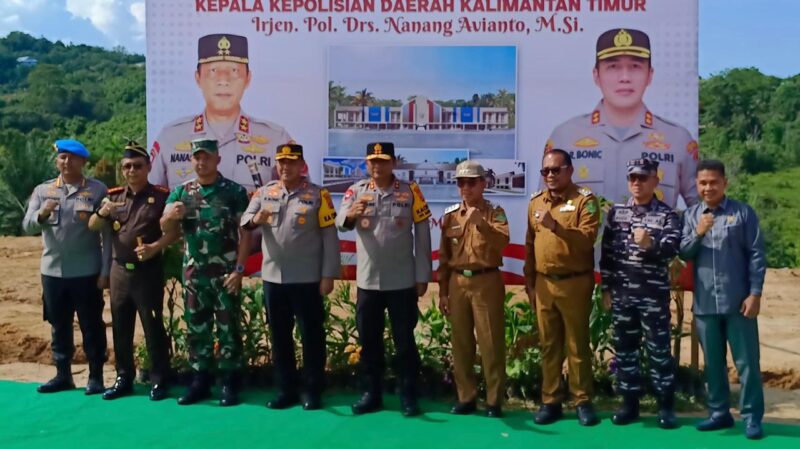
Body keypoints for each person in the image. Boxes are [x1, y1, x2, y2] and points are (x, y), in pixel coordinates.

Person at [545, 28, 698, 208]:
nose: (625, 78)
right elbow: (543, 208)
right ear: (596, 75)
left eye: (635, 66)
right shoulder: (565, 137)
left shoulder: (677, 139)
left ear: (650, 74)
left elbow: (702, 213)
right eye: (613, 67)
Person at [336, 142, 432, 417]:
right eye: (372, 161)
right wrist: (351, 214)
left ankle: (409, 395)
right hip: (368, 282)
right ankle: (371, 393)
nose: (377, 166)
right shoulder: (356, 191)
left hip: (402, 282)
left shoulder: (410, 191)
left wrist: (423, 274)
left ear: (393, 163)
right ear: (367, 164)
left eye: (383, 161)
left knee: (405, 343)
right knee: (369, 342)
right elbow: (340, 220)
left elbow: (423, 233)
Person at [241, 144, 340, 411]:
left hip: (307, 279)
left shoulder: (318, 195)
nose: (286, 167)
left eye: (291, 162)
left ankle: (312, 389)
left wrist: (328, 274)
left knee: (311, 337)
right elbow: (245, 221)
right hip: (274, 278)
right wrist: (255, 219)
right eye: (282, 162)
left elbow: (330, 237)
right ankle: (285, 389)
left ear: (302, 165)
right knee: (280, 336)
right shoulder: (265, 192)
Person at [160, 138, 252, 407]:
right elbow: (164, 226)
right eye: (197, 158)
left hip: (225, 273)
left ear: (217, 160)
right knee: (196, 328)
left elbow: (245, 234)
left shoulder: (233, 192)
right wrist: (171, 216)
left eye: (207, 157)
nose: (202, 162)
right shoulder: (182, 192)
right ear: (192, 160)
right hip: (194, 274)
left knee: (228, 327)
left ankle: (229, 382)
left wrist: (239, 269)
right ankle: (199, 381)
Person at [679, 160, 767, 440]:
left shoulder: (743, 213)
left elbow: (756, 255)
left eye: (713, 182)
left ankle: (752, 417)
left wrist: (755, 294)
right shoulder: (692, 216)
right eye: (703, 183)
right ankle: (719, 414)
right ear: (696, 184)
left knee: (747, 363)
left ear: (724, 183)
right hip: (705, 304)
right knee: (713, 364)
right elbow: (684, 252)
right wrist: (699, 231)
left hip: (739, 303)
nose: (708, 188)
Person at [87, 141, 179, 401]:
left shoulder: (161, 196)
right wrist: (103, 212)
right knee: (120, 327)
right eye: (126, 166)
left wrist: (155, 247)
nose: (131, 171)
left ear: (148, 167)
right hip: (119, 273)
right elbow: (93, 226)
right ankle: (123, 377)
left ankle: (160, 379)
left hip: (147, 271)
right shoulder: (113, 196)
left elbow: (174, 232)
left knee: (152, 327)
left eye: (137, 166)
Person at [149, 34, 293, 193]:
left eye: (234, 70)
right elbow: (149, 196)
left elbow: (299, 194)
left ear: (248, 78)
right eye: (213, 71)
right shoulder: (171, 136)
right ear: (198, 78)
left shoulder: (275, 138)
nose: (223, 80)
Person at [22, 139, 111, 395]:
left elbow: (107, 235)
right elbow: (27, 225)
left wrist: (105, 271)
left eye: (72, 158)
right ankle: (63, 374)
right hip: (53, 272)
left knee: (91, 324)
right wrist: (42, 214)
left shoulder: (97, 190)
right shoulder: (43, 190)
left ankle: (96, 377)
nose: (66, 162)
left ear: (83, 162)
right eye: (62, 157)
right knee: (58, 324)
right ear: (57, 161)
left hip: (87, 272)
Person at [600, 158, 681, 428]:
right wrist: (606, 288)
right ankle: (629, 405)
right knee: (625, 352)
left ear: (655, 181)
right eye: (632, 178)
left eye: (643, 178)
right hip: (622, 296)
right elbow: (607, 253)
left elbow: (672, 249)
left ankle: (666, 406)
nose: (637, 182)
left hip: (653, 297)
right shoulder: (617, 212)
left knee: (658, 352)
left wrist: (651, 244)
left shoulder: (667, 215)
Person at [524, 149, 601, 426]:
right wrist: (529, 283)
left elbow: (586, 240)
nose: (550, 176)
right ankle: (551, 400)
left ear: (570, 170)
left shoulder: (584, 201)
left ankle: (582, 401)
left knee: (577, 345)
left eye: (556, 170)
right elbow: (530, 246)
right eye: (546, 171)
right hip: (544, 284)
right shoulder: (535, 203)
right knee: (549, 345)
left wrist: (555, 226)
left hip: (575, 283)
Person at [438, 160, 509, 418]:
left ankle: (493, 400)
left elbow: (502, 242)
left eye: (470, 182)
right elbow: (444, 258)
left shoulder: (494, 212)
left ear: (483, 184)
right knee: (461, 343)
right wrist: (443, 291)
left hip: (486, 281)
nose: (465, 188)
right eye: (460, 183)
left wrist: (482, 225)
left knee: (490, 342)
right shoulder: (450, 216)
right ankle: (466, 397)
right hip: (458, 283)